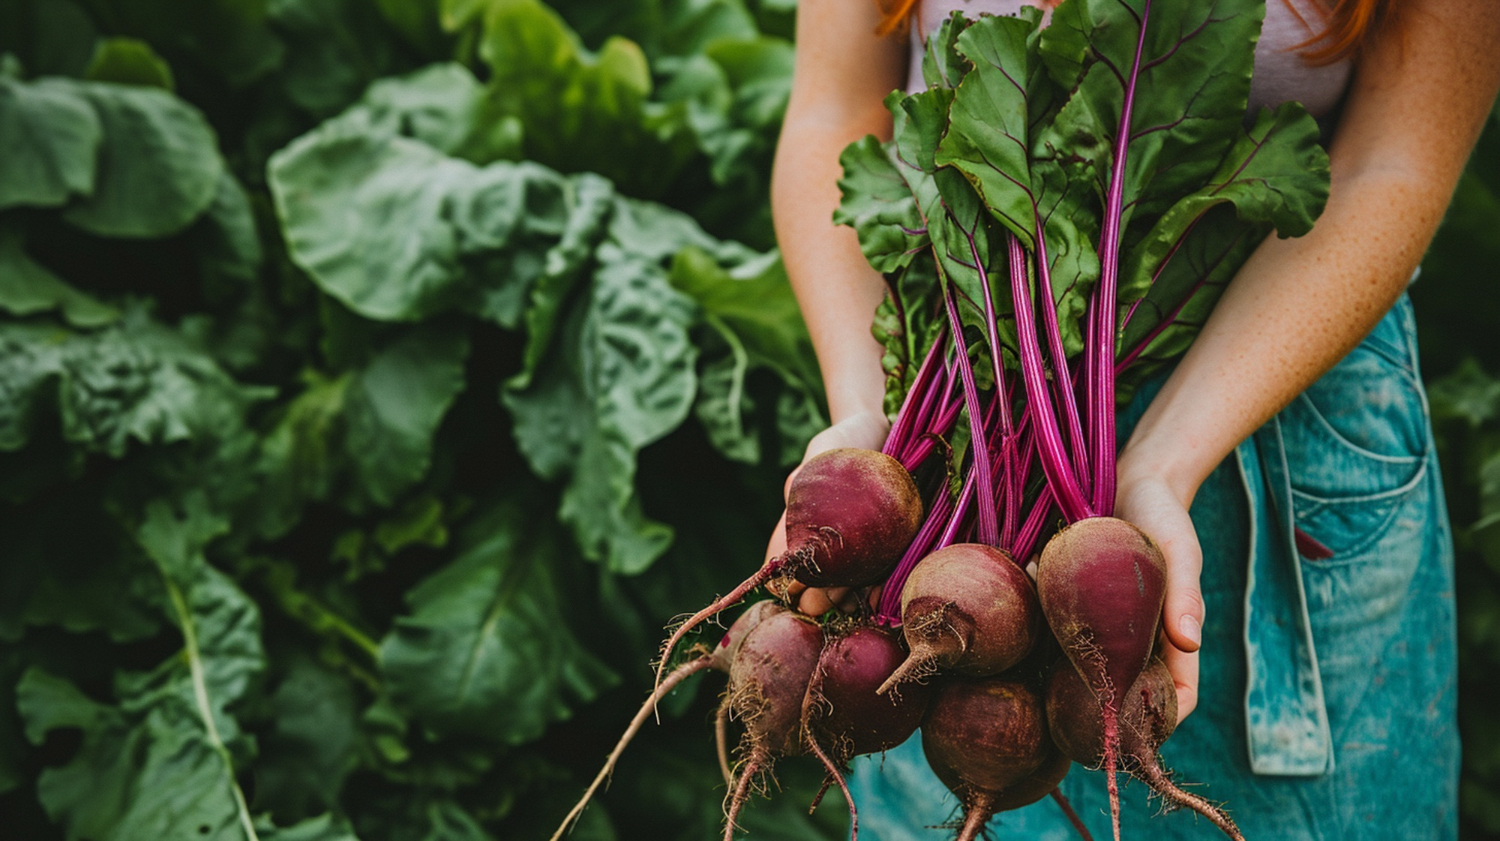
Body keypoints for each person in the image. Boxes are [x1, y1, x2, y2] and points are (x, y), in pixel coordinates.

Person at [764, 0, 1500, 837]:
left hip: (1278, 438)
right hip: (949, 491)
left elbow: (1393, 162)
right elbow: (835, 113)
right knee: (948, 748)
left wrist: (1159, 467)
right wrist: (867, 423)